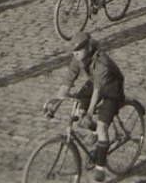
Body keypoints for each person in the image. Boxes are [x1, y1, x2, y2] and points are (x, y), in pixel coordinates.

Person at [43, 32, 126, 178]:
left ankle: (100, 169)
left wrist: (90, 113)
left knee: (102, 127)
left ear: (88, 48)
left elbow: (97, 92)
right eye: (74, 51)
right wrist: (55, 102)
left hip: (112, 88)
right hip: (95, 83)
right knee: (80, 111)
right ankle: (94, 132)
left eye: (78, 50)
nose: (75, 54)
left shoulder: (102, 62)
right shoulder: (78, 58)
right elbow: (68, 80)